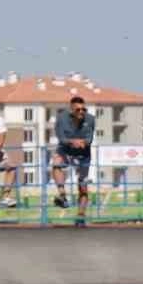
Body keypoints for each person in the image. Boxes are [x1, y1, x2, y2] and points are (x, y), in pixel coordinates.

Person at [52, 95, 97, 227]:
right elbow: (61, 138)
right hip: (66, 149)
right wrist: (73, 141)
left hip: (83, 153)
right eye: (78, 110)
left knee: (82, 186)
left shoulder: (90, 119)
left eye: (84, 109)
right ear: (71, 110)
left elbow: (89, 140)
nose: (81, 112)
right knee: (56, 162)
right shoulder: (61, 118)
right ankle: (62, 195)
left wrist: (81, 143)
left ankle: (81, 216)